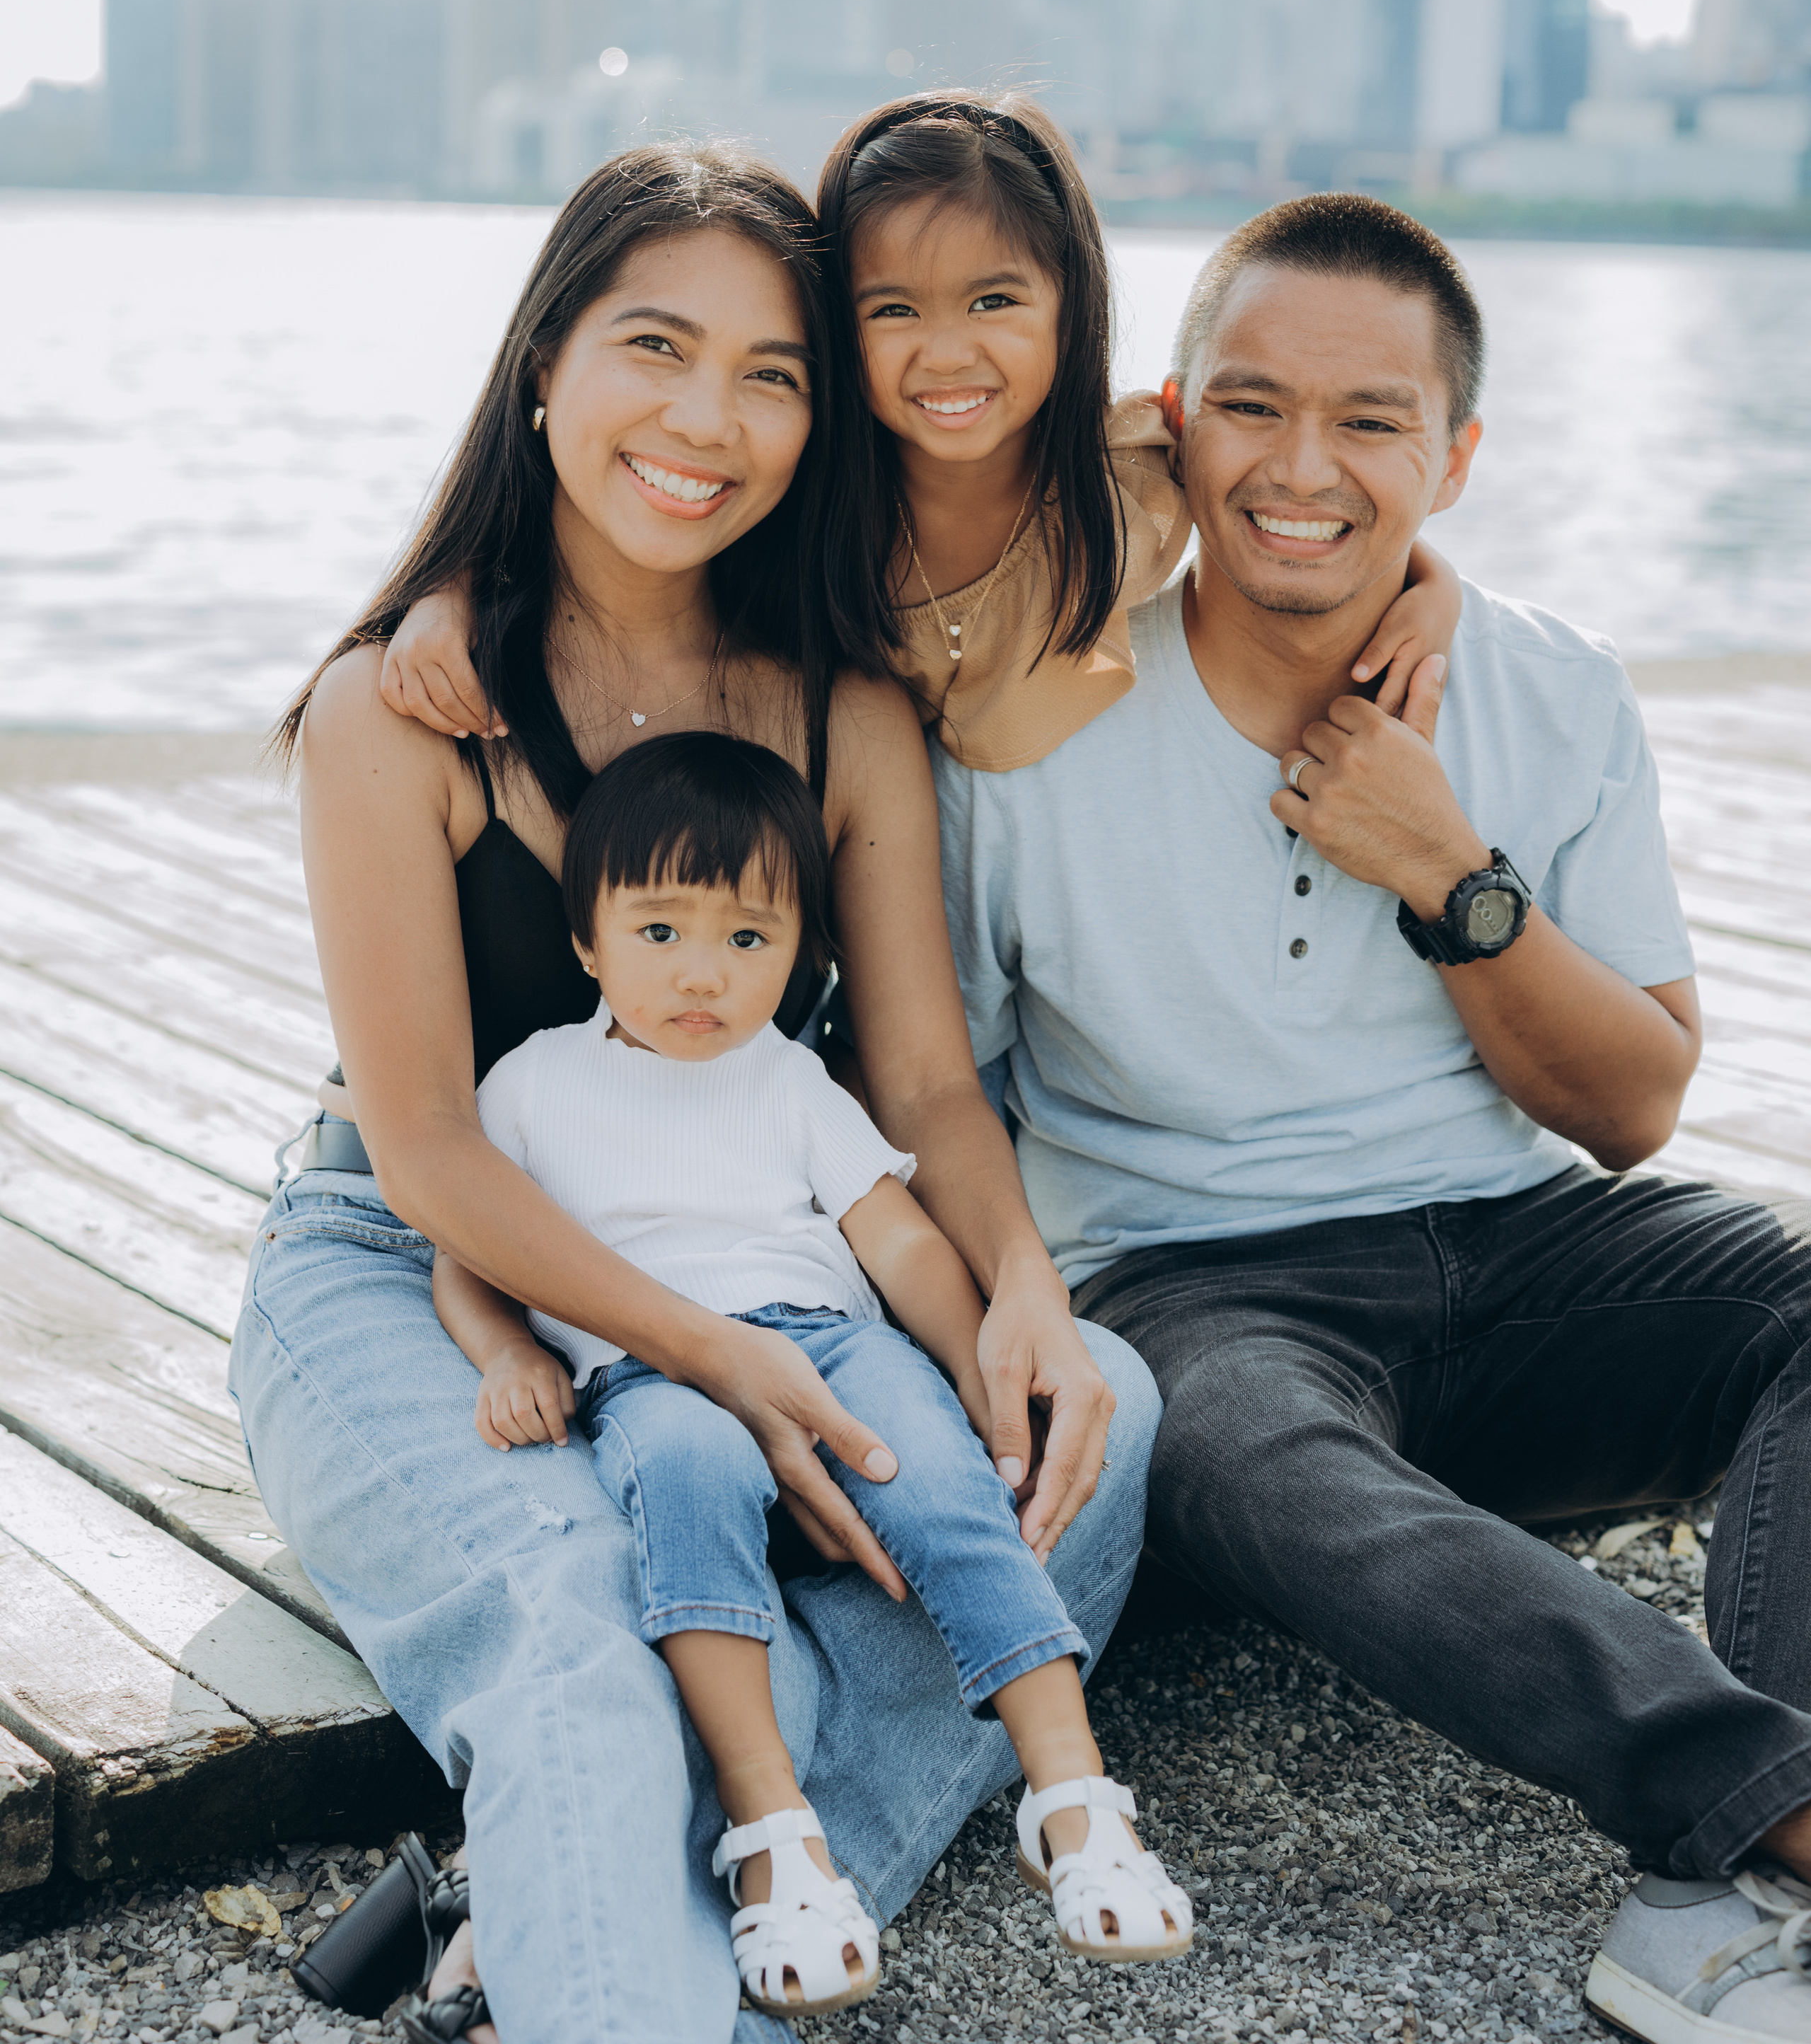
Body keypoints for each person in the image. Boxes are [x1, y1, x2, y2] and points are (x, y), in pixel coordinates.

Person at [228, 148, 1162, 2044]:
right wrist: (717, 1363)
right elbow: (421, 1151)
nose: (706, 421)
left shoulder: (845, 708)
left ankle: (579, 1909)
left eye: (774, 374)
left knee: (1099, 1423)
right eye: (657, 347)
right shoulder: (399, 708)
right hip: (424, 1271)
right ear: (545, 364)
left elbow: (915, 1082)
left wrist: (1027, 1296)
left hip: (765, 1241)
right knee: (579, 1596)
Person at [934, 189, 1811, 2044]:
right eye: (1250, 406)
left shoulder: (1550, 691)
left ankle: (1753, 1818)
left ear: (1457, 455)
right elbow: (941, 1092)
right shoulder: (1029, 729)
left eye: (1372, 422)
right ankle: (1772, 1805)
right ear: (1172, 424)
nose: (1304, 469)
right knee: (1231, 1444)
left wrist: (1451, 874)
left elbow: (1638, 1107)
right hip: (1202, 1292)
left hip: (1522, 1257)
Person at [434, 731, 1192, 2020]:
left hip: (830, 1338)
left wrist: (975, 1368)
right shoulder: (530, 1086)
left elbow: (894, 1239)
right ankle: (772, 1827)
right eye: (660, 930)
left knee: (945, 1476)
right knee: (685, 1473)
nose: (703, 974)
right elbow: (473, 1256)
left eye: (748, 940)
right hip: (653, 1364)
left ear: (801, 956)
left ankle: (1071, 1794)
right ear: (585, 941)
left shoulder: (790, 1082)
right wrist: (510, 1351)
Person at [381, 95, 1463, 772]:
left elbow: (1296, 497)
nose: (946, 356)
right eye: (894, 311)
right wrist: (451, 593)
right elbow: (592, 514)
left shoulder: (1135, 476)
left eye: (994, 304)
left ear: (1069, 309)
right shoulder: (812, 505)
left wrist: (1434, 590)